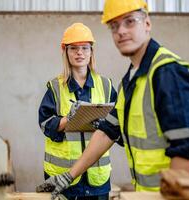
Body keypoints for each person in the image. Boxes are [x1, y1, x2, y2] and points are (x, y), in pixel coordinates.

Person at [37, 0, 189, 198]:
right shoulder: (131, 80)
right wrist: (68, 176)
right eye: (114, 26)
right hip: (152, 194)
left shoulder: (167, 72)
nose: (121, 31)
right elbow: (107, 132)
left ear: (147, 24)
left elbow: (188, 148)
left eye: (129, 21)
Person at [37, 23, 117, 200]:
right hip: (64, 178)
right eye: (73, 48)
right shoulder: (56, 88)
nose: (79, 53)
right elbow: (44, 124)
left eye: (84, 48)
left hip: (97, 179)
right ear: (65, 51)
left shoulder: (106, 86)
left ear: (91, 51)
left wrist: (103, 125)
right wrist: (68, 120)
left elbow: (117, 125)